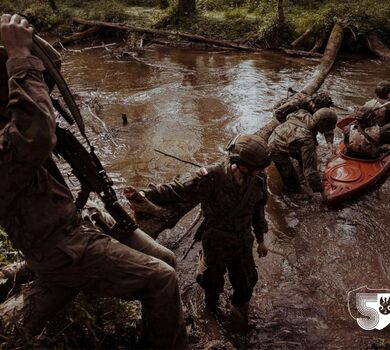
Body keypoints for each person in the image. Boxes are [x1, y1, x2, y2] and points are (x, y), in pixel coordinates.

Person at [0, 14, 187, 349]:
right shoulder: (19, 135)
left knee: (168, 260)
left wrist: (25, 56)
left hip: (72, 227)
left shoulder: (13, 124)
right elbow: (37, 134)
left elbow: (44, 97)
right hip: (58, 249)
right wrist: (17, 57)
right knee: (163, 280)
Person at [131, 134, 271, 330]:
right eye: (257, 168)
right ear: (241, 164)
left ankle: (239, 316)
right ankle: (211, 311)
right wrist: (147, 194)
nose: (261, 171)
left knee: (246, 283)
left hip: (243, 240)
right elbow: (178, 189)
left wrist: (261, 239)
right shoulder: (213, 176)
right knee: (211, 282)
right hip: (216, 239)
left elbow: (258, 210)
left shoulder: (258, 180)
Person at [268, 107, 337, 197]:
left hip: (282, 137)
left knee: (305, 160)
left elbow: (324, 124)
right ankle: (286, 194)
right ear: (322, 125)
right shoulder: (307, 140)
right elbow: (310, 172)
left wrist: (329, 142)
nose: (327, 130)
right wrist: (321, 191)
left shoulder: (303, 113)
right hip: (276, 149)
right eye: (327, 128)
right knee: (293, 185)